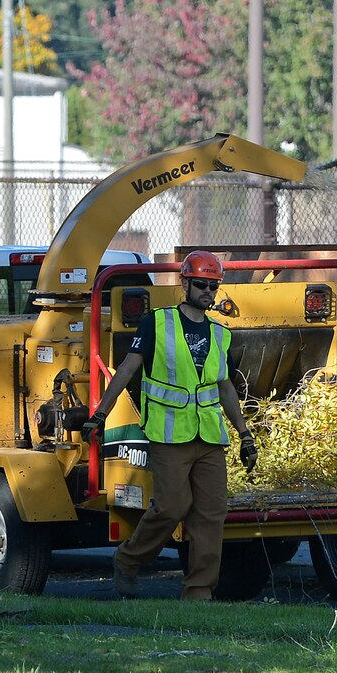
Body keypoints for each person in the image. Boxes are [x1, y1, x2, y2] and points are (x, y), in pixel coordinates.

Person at [81, 250, 258, 600]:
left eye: (214, 286)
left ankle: (198, 594)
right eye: (202, 285)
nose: (208, 292)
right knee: (172, 507)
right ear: (185, 283)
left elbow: (225, 387)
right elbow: (128, 370)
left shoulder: (221, 335)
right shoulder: (156, 323)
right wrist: (101, 413)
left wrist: (245, 433)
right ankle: (128, 561)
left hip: (209, 437)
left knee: (211, 514)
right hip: (168, 435)